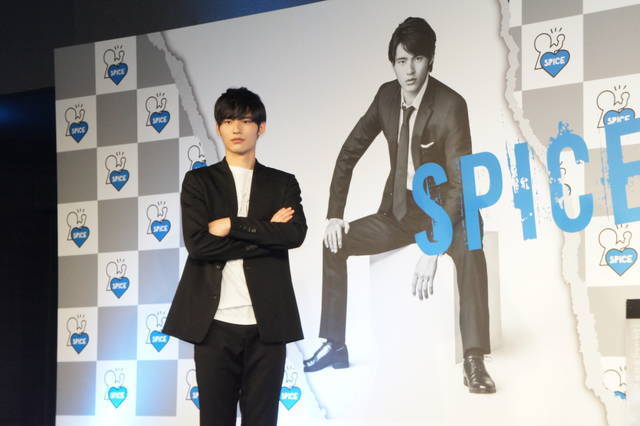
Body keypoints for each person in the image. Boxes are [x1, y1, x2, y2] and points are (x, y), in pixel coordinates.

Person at [302, 17, 496, 394]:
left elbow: (461, 185)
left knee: (472, 248)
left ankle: (474, 359)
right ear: (392, 63)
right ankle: (335, 344)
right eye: (401, 61)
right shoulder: (386, 97)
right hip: (401, 211)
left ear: (430, 61)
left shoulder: (451, 105)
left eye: (417, 59)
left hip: (448, 212)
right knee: (334, 243)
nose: (409, 70)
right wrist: (334, 215)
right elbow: (349, 152)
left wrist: (435, 247)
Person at [163, 87, 307, 425]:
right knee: (215, 419)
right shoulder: (199, 181)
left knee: (262, 419)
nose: (237, 128)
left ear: (261, 127)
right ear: (218, 128)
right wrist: (265, 233)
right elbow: (199, 245)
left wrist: (232, 225)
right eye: (228, 121)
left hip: (267, 324)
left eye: (245, 120)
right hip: (214, 325)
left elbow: (294, 235)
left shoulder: (282, 183)